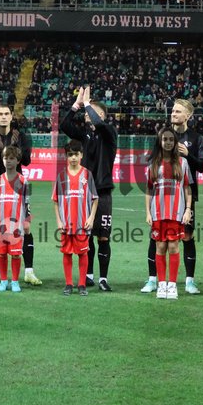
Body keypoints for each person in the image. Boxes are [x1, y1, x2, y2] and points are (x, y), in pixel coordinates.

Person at [142, 99, 203, 295]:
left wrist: (189, 155)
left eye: (178, 111)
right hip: (161, 201)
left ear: (188, 115)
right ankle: (154, 279)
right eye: (172, 111)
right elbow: (152, 159)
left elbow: (202, 166)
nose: (173, 114)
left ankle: (189, 281)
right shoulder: (164, 135)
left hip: (184, 197)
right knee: (156, 240)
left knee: (186, 237)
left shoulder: (196, 139)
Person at [62, 85, 118, 291]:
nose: (87, 115)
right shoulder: (82, 136)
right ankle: (89, 275)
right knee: (85, 235)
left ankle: (103, 278)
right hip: (84, 193)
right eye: (86, 113)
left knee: (103, 236)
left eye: (91, 112)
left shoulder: (109, 133)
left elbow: (99, 124)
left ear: (101, 115)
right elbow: (64, 124)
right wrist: (76, 105)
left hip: (102, 193)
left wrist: (88, 104)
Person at [0, 102, 39, 286]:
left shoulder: (21, 137)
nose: (3, 116)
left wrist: (14, 148)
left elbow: (27, 161)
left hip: (18, 190)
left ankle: (29, 271)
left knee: (25, 228)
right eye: (0, 114)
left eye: (7, 113)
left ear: (12, 116)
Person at [145, 126, 192, 299]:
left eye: (171, 140)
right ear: (160, 141)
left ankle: (172, 285)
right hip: (158, 213)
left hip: (176, 214)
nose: (168, 142)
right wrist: (148, 213)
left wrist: (188, 210)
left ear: (175, 142)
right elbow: (149, 190)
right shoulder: (153, 164)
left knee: (173, 247)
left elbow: (187, 188)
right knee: (160, 246)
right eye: (165, 139)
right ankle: (161, 285)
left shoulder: (183, 163)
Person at [53, 139, 98, 296]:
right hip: (66, 223)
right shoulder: (61, 176)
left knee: (83, 253)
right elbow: (56, 201)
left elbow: (95, 199)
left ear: (81, 156)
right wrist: (59, 221)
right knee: (67, 253)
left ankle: (82, 284)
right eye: (70, 155)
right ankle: (68, 284)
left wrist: (91, 218)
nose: (73, 157)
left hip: (82, 223)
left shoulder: (87, 174)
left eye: (76, 154)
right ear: (66, 156)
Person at [0, 146, 32, 293]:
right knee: (1, 253)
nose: (8, 161)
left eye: (11, 158)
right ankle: (3, 281)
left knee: (15, 254)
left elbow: (27, 202)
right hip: (1, 225)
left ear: (18, 161)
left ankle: (15, 281)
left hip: (16, 225)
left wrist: (27, 220)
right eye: (5, 158)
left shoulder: (23, 181)